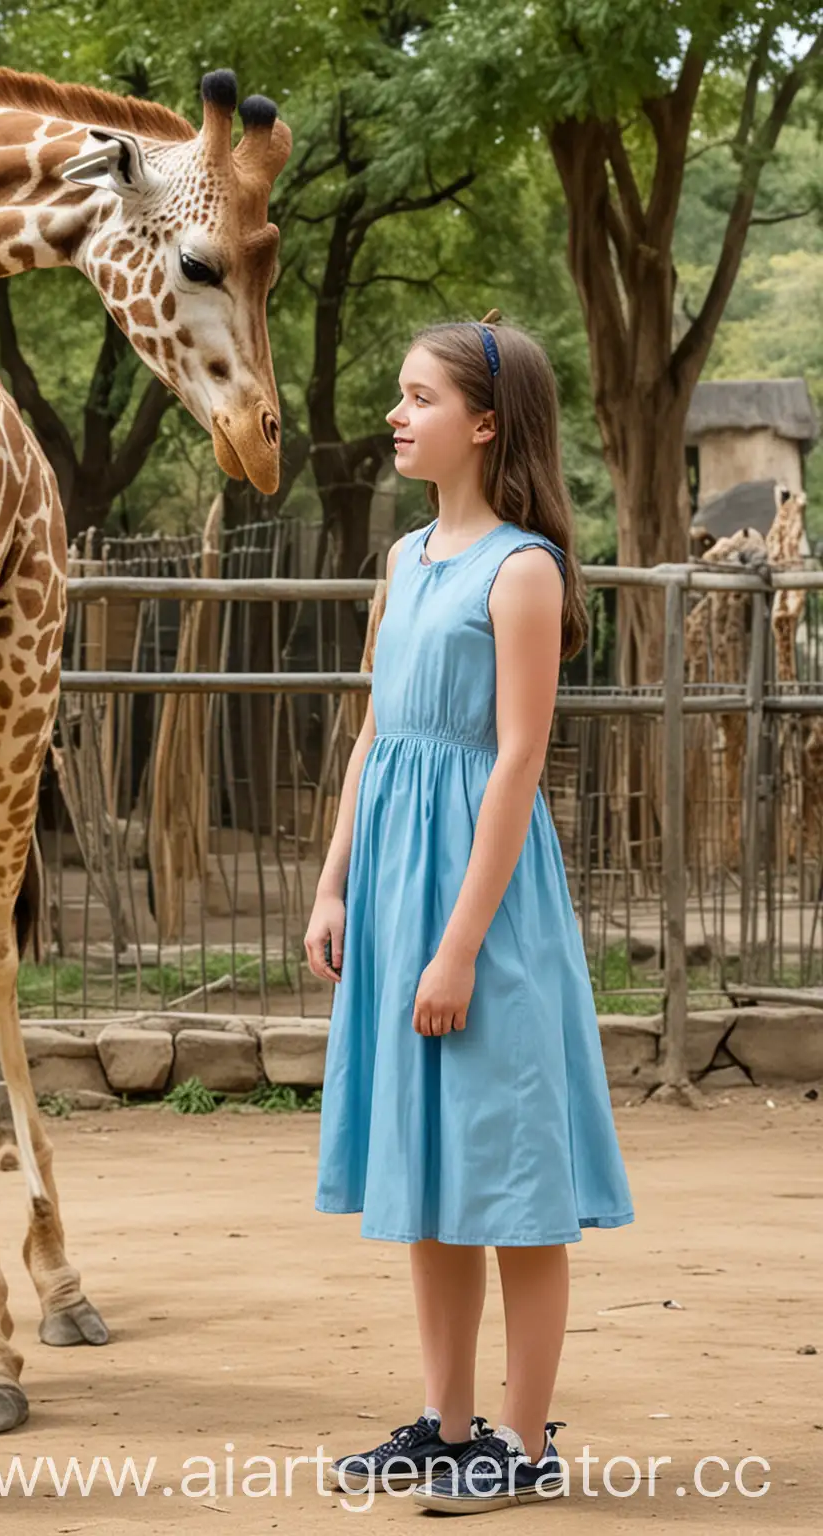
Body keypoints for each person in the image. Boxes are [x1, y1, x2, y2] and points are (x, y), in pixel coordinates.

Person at [305, 313, 634, 1515]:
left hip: (481, 908)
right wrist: (333, 880)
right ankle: (447, 1431)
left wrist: (455, 946)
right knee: (433, 1169)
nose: (397, 415)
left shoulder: (524, 569)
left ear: (485, 423)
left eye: (417, 397)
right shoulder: (402, 562)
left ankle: (525, 1443)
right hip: (393, 886)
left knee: (508, 1178)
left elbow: (515, 763)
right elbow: (377, 733)